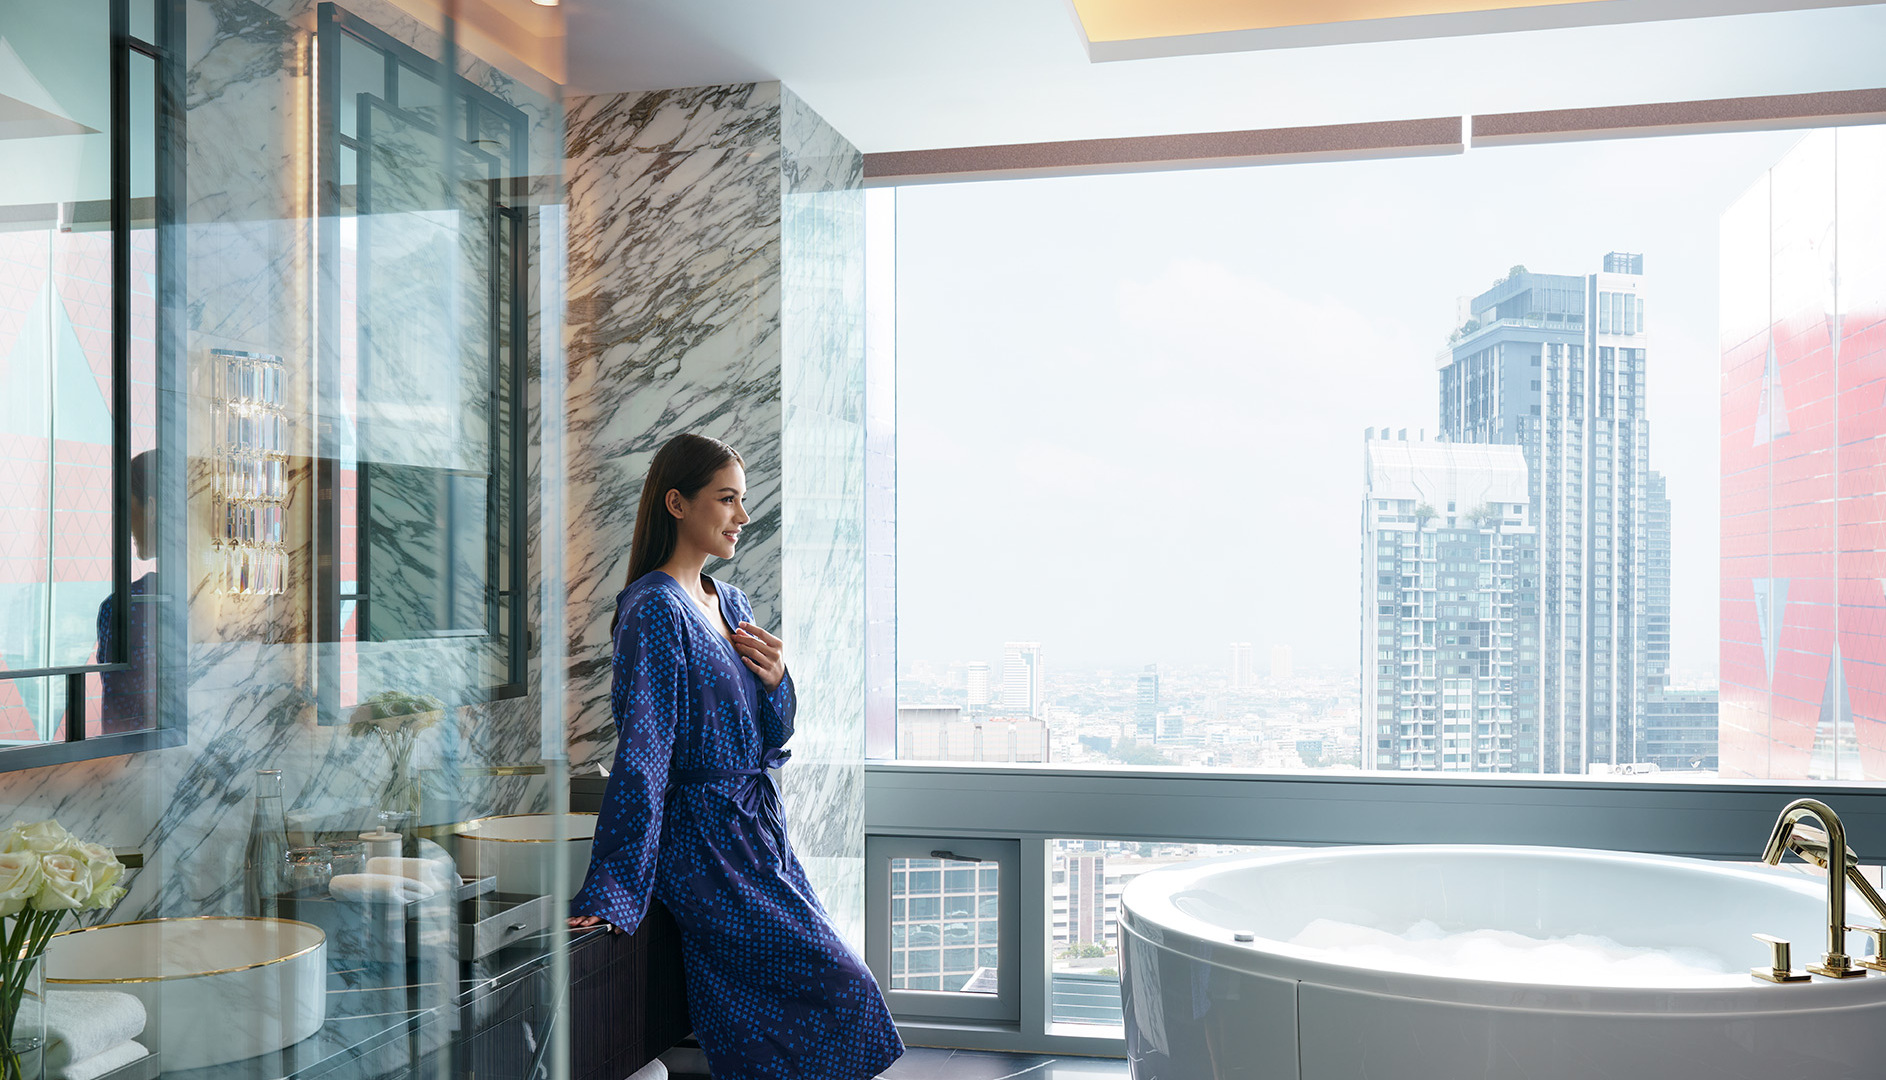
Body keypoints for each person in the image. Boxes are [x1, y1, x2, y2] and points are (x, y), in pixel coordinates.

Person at [569, 433, 902, 1079]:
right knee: (840, 985)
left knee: (803, 1002)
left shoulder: (732, 603)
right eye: (726, 499)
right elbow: (644, 753)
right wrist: (613, 888)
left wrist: (779, 680)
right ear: (676, 503)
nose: (742, 517)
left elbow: (770, 737)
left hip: (756, 834)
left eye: (742, 500)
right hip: (703, 847)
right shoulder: (653, 611)